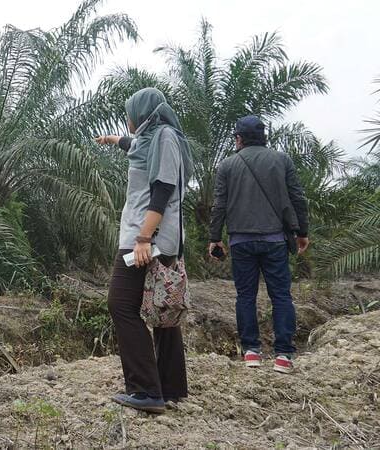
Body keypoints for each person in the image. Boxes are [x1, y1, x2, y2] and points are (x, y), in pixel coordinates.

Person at [95, 87, 193, 414]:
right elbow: (134, 147)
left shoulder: (163, 137)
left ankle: (146, 390)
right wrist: (113, 140)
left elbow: (163, 187)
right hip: (150, 234)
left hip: (148, 235)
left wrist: (143, 238)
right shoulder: (152, 139)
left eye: (130, 114)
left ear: (145, 113)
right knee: (162, 307)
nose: (128, 120)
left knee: (121, 303)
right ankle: (170, 387)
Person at [208, 115, 310, 374]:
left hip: (241, 241)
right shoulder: (281, 160)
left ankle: (251, 352)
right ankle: (283, 356)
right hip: (275, 240)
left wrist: (214, 237)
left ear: (239, 138)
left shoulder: (227, 165)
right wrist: (302, 232)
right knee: (281, 296)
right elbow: (297, 197)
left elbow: (219, 204)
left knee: (245, 297)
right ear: (264, 137)